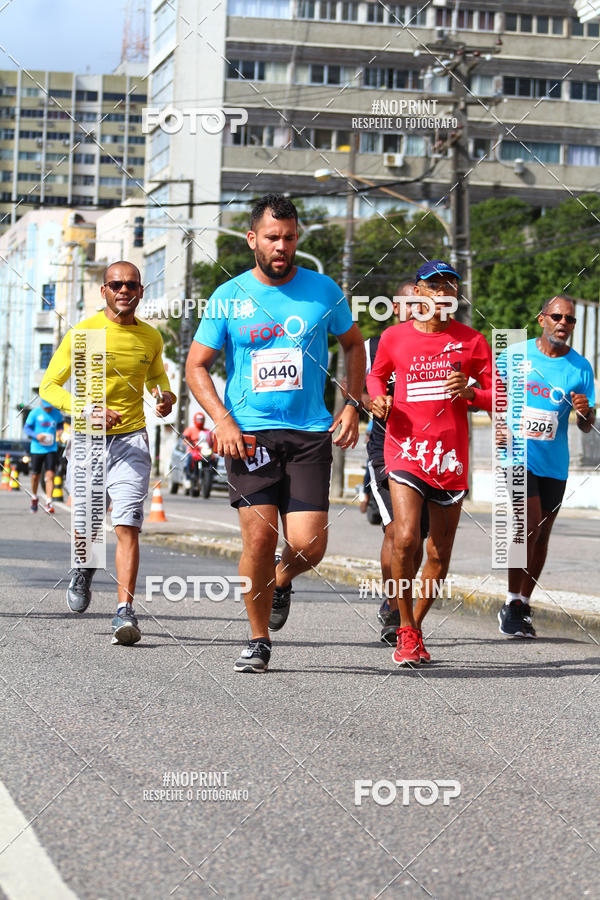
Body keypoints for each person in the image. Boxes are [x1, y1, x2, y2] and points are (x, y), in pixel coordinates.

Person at [186, 193, 365, 673]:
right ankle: (258, 638)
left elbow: (353, 345)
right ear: (253, 240)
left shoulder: (325, 290)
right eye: (272, 238)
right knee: (260, 540)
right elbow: (196, 366)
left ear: (297, 238)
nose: (281, 246)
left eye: (288, 238)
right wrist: (222, 419)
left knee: (310, 545)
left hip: (308, 432)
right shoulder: (228, 297)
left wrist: (352, 403)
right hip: (249, 435)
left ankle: (282, 579)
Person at [39, 261, 175, 645]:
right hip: (87, 441)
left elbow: (157, 378)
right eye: (116, 284)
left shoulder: (151, 337)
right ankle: (84, 567)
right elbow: (49, 386)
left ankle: (124, 612)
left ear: (141, 291)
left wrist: (164, 396)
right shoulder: (84, 334)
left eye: (131, 284)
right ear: (104, 291)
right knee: (88, 526)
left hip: (131, 439)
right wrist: (86, 408)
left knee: (128, 523)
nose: (123, 290)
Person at [367, 260, 494, 666]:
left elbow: (502, 397)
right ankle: (404, 628)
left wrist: (471, 394)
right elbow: (375, 377)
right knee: (405, 538)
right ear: (418, 293)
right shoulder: (393, 337)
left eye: (450, 284)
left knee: (439, 552)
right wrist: (378, 399)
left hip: (451, 456)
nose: (443, 290)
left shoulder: (472, 341)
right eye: (434, 283)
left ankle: (415, 627)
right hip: (404, 449)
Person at [498, 294, 595, 638]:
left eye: (570, 319)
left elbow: (586, 425)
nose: (563, 324)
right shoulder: (513, 355)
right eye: (557, 316)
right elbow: (491, 395)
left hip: (555, 462)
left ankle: (523, 604)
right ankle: (510, 602)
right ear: (542, 319)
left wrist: (585, 412)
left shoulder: (581, 367)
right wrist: (499, 427)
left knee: (542, 536)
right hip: (517, 455)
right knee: (528, 525)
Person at [361, 282, 430, 643]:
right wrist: (375, 399)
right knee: (397, 531)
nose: (415, 309)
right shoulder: (376, 344)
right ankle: (393, 607)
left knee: (416, 538)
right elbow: (358, 386)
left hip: (428, 451)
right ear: (395, 307)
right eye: (408, 303)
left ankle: (398, 601)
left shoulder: (436, 345)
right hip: (385, 448)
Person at [23, 400, 64, 513]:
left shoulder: (56, 413)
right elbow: (26, 428)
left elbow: (60, 424)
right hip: (37, 449)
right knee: (35, 476)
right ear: (41, 404)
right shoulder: (34, 413)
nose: (48, 409)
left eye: (50, 407)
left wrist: (60, 432)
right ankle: (34, 497)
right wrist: (37, 435)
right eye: (46, 407)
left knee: (50, 475)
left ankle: (48, 503)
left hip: (51, 448)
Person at [182, 411, 214, 480]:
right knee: (189, 458)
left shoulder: (207, 431)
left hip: (204, 451)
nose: (200, 421)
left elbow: (212, 439)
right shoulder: (190, 429)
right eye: (198, 419)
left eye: (201, 419)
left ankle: (212, 475)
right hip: (193, 450)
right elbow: (184, 438)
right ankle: (188, 477)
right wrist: (188, 442)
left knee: (213, 459)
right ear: (195, 420)